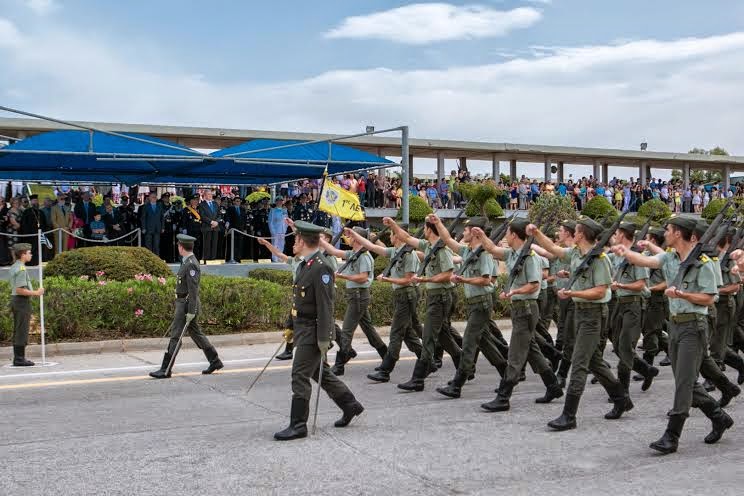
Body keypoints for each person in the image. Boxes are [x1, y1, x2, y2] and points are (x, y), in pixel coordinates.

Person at [612, 216, 733, 454]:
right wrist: (624, 252)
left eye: (668, 229)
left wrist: (682, 295)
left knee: (684, 384)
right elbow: (644, 261)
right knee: (684, 381)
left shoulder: (704, 263)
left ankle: (672, 435)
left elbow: (709, 298)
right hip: (676, 326)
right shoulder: (669, 257)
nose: (665, 232)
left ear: (679, 234)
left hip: (694, 326)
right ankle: (719, 417)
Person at [529, 217, 629, 430]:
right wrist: (536, 233)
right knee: (594, 362)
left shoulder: (600, 259)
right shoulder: (576, 254)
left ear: (582, 234)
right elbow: (554, 250)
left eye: (575, 230)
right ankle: (621, 399)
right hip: (580, 313)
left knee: (579, 361)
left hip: (593, 315)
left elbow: (602, 290)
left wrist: (573, 292)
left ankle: (569, 415)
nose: (572, 233)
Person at [273, 221, 365, 441]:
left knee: (299, 375)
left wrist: (325, 338)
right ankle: (350, 404)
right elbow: (299, 300)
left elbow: (326, 306)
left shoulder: (321, 267)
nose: (293, 243)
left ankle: (298, 425)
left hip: (314, 331)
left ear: (303, 241)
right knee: (317, 372)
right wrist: (290, 326)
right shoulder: (306, 264)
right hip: (302, 328)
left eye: (295, 239)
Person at [475, 219, 563, 411]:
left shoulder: (530, 256)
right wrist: (481, 236)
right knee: (531, 349)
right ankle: (553, 386)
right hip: (520, 309)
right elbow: (493, 250)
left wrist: (514, 292)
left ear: (514, 235)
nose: (505, 235)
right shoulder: (513, 253)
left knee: (515, 354)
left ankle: (503, 396)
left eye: (507, 232)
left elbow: (535, 284)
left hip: (526, 308)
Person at [429, 216, 508, 399]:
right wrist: (437, 223)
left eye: (466, 230)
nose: (463, 233)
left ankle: (458, 384)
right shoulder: (468, 251)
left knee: (469, 342)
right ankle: (507, 373)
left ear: (474, 232)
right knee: (485, 342)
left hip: (482, 303)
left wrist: (463, 279)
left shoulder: (484, 254)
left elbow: (487, 280)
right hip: (474, 304)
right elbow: (448, 240)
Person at [385, 216, 462, 392]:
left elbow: (447, 274)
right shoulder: (428, 246)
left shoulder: (442, 250)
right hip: (435, 296)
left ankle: (418, 379)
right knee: (443, 336)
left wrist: (425, 278)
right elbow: (406, 238)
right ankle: (465, 366)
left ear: (429, 230)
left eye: (425, 228)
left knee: (428, 338)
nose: (423, 231)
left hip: (441, 297)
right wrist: (393, 225)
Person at [344, 225, 424, 382]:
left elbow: (408, 280)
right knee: (407, 332)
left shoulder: (410, 255)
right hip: (401, 295)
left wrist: (388, 279)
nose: (390, 238)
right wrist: (354, 233)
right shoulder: (395, 252)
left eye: (393, 235)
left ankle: (386, 370)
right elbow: (372, 246)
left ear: (398, 237)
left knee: (396, 333)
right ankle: (427, 359)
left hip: (406, 294)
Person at [149, 234, 224, 379]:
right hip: (184, 303)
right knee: (196, 333)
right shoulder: (187, 261)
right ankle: (215, 361)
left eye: (178, 245)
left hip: (186, 305)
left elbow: (193, 290)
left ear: (181, 247)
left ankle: (166, 369)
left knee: (175, 336)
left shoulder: (190, 264)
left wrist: (191, 310)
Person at [321, 227, 388, 375]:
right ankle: (386, 355)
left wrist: (343, 277)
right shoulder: (354, 254)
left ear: (357, 239)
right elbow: (334, 251)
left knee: (346, 331)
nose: (348, 239)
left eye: (350, 236)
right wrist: (319, 240)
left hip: (359, 296)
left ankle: (340, 364)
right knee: (368, 329)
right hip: (355, 296)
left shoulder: (364, 256)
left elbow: (363, 277)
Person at [8, 243, 44, 366]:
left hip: (17, 300)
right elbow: (20, 289)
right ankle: (19, 358)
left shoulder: (15, 266)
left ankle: (19, 357)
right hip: (21, 301)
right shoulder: (21, 269)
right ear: (23, 254)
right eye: (29, 253)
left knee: (19, 328)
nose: (31, 255)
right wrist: (36, 292)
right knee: (22, 329)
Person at [20, 194, 50, 266]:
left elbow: (45, 223)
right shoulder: (27, 212)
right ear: (31, 202)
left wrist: (44, 231)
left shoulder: (41, 212)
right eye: (34, 201)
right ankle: (30, 262)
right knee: (31, 249)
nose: (35, 202)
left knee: (39, 248)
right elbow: (23, 224)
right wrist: (27, 233)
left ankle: (39, 261)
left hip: (40, 234)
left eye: (36, 201)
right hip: (30, 235)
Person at [198, 190, 220, 261]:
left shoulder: (215, 203)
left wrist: (216, 222)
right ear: (204, 195)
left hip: (216, 227)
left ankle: (213, 259)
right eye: (208, 194)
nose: (210, 196)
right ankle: (206, 260)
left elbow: (219, 214)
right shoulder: (202, 204)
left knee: (214, 244)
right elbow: (202, 216)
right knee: (206, 245)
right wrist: (211, 222)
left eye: (211, 194)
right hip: (207, 227)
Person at [224, 196, 247, 263]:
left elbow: (244, 220)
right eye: (237, 201)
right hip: (233, 229)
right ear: (233, 202)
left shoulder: (242, 209)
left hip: (240, 230)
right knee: (232, 244)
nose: (238, 202)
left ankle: (238, 258)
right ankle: (231, 258)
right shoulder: (230, 208)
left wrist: (245, 228)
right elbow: (227, 217)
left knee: (239, 244)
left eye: (239, 201)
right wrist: (227, 224)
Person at [141, 191, 164, 256]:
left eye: (155, 197)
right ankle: (149, 258)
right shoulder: (146, 206)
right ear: (149, 198)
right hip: (148, 228)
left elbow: (162, 218)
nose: (154, 198)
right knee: (148, 245)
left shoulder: (160, 206)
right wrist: (143, 228)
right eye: (152, 197)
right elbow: (143, 218)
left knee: (156, 245)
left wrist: (162, 227)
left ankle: (156, 259)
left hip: (157, 228)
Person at [268, 197, 288, 262]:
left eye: (281, 201)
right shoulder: (273, 210)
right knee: (275, 245)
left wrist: (285, 229)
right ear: (276, 202)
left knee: (281, 244)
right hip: (275, 230)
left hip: (282, 230)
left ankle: (280, 257)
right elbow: (270, 222)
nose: (280, 202)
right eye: (278, 201)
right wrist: (272, 231)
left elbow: (286, 221)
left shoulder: (285, 210)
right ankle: (274, 258)